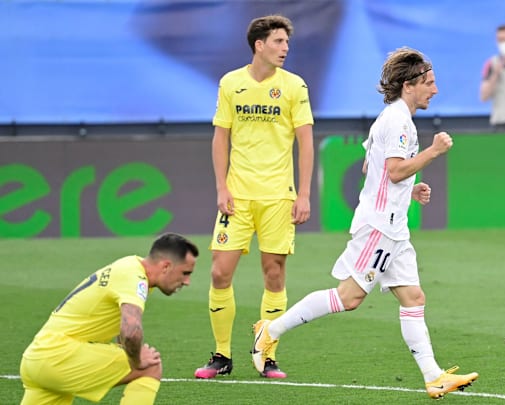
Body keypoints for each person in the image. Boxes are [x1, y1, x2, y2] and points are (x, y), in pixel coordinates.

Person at [251, 47, 478, 399]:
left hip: (395, 227)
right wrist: (432, 152)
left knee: (414, 297)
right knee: (350, 297)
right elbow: (392, 169)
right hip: (380, 226)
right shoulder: (399, 120)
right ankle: (270, 331)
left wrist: (408, 189)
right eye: (429, 83)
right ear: (408, 85)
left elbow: (369, 168)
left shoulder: (390, 118)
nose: (435, 90)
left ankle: (434, 376)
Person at [194, 14, 314, 380]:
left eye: (287, 43)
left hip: (279, 196)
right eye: (278, 42)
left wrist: (304, 194)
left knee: (274, 274)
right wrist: (221, 187)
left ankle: (267, 355)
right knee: (219, 271)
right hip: (238, 196)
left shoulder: (294, 86)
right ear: (259, 45)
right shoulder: (231, 83)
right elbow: (220, 137)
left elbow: (306, 141)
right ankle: (221, 355)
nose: (285, 49)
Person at [19, 233, 199, 405]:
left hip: (36, 359)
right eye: (185, 273)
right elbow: (131, 332)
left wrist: (126, 351)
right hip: (59, 356)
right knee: (149, 367)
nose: (187, 281)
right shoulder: (134, 278)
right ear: (166, 266)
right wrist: (137, 361)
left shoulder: (130, 267)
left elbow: (122, 325)